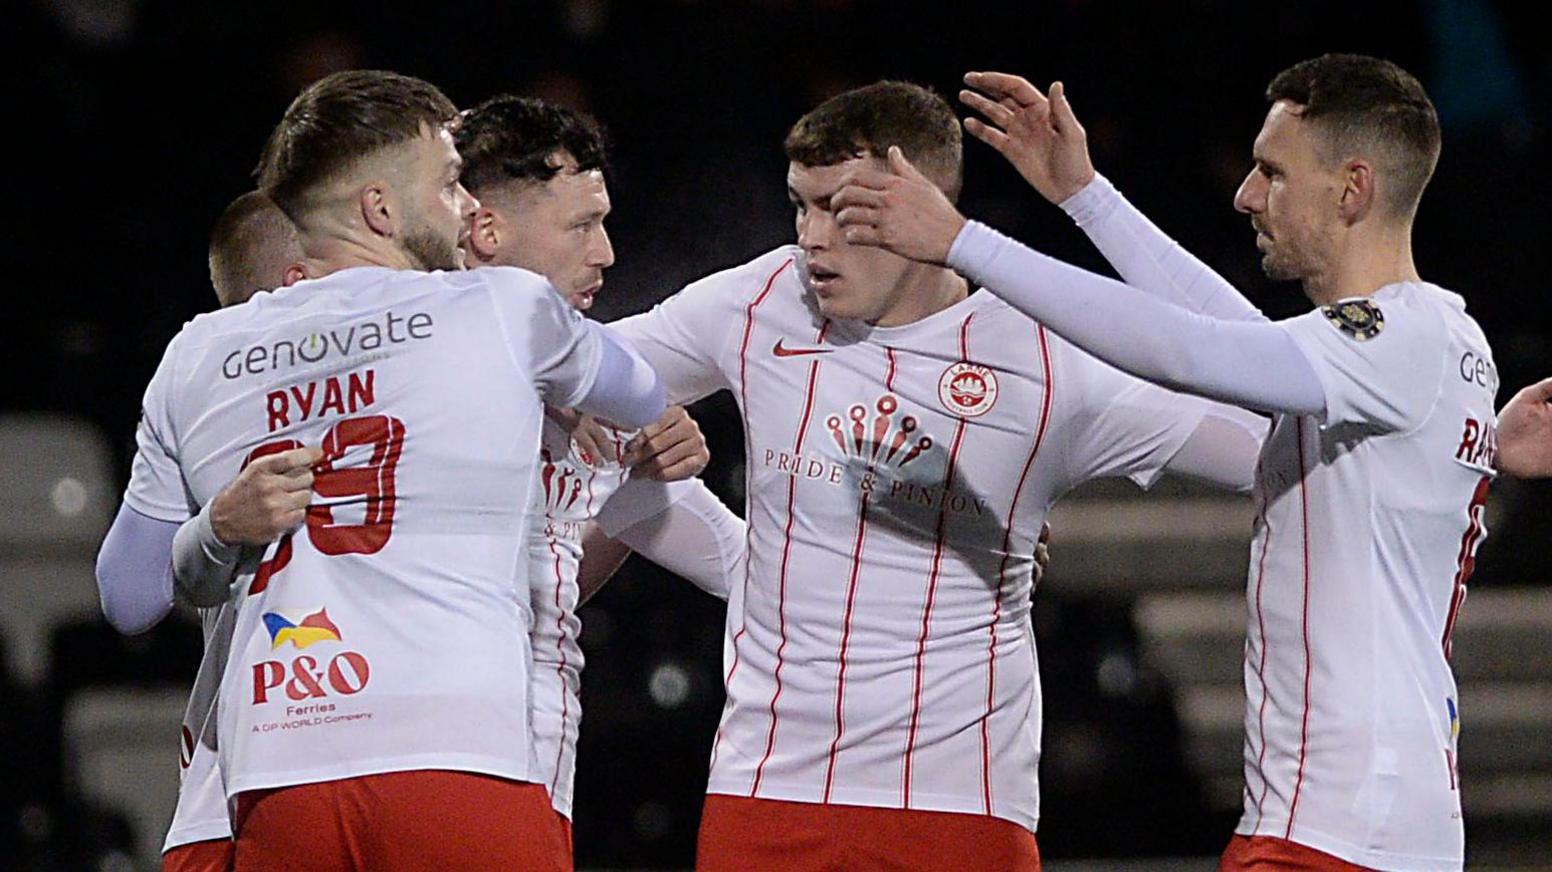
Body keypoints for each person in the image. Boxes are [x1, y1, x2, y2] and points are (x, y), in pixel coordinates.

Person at [837, 55, 1494, 871]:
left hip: (1344, 827)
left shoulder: (1400, 338)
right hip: (1359, 816)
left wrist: (964, 243)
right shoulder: (1434, 340)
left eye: (1272, 172)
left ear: (1353, 188)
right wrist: (1085, 197)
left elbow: (1194, 352)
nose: (1246, 196)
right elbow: (1239, 339)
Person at [609, 80, 1264, 871]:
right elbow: (561, 376)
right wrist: (635, 441)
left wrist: (1090, 202)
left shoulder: (1045, 355)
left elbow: (1274, 424)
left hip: (959, 811)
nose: (813, 238)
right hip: (766, 798)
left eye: (842, 211)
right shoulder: (756, 301)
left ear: (922, 207)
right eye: (801, 205)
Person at [96, 69, 665, 872]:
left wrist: (219, 528)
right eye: (449, 184)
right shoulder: (500, 309)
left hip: (276, 773)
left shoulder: (195, 353)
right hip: (454, 753)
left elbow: (128, 596)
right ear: (381, 209)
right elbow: (640, 389)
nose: (469, 210)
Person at [453, 93, 747, 844]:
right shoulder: (391, 375)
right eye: (581, 225)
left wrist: (959, 550)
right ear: (484, 228)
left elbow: (753, 567)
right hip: (417, 763)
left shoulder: (604, 388)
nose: (607, 252)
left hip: (535, 777)